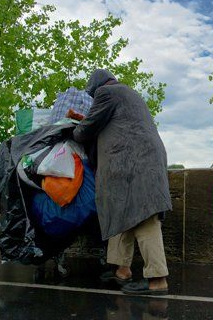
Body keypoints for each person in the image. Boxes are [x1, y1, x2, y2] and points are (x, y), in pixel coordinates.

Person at [73, 69, 172, 295]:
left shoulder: (107, 93)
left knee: (145, 217)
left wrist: (77, 126)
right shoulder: (128, 94)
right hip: (141, 159)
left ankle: (157, 280)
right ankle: (121, 270)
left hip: (135, 162)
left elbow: (83, 133)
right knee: (121, 212)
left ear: (97, 86)